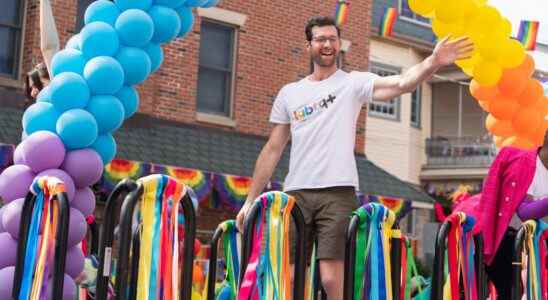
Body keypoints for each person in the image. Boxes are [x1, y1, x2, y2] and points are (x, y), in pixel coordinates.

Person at [236, 16, 473, 299]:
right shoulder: (290, 93)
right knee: (287, 277)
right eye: (321, 39)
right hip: (295, 193)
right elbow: (273, 148)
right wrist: (250, 200)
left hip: (337, 192)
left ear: (339, 45)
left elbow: (401, 84)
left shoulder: (353, 83)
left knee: (331, 278)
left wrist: (433, 61)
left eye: (332, 39)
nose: (327, 44)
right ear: (308, 45)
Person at [455, 131, 548, 299]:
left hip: (527, 243)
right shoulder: (524, 163)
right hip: (496, 236)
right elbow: (525, 211)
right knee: (491, 290)